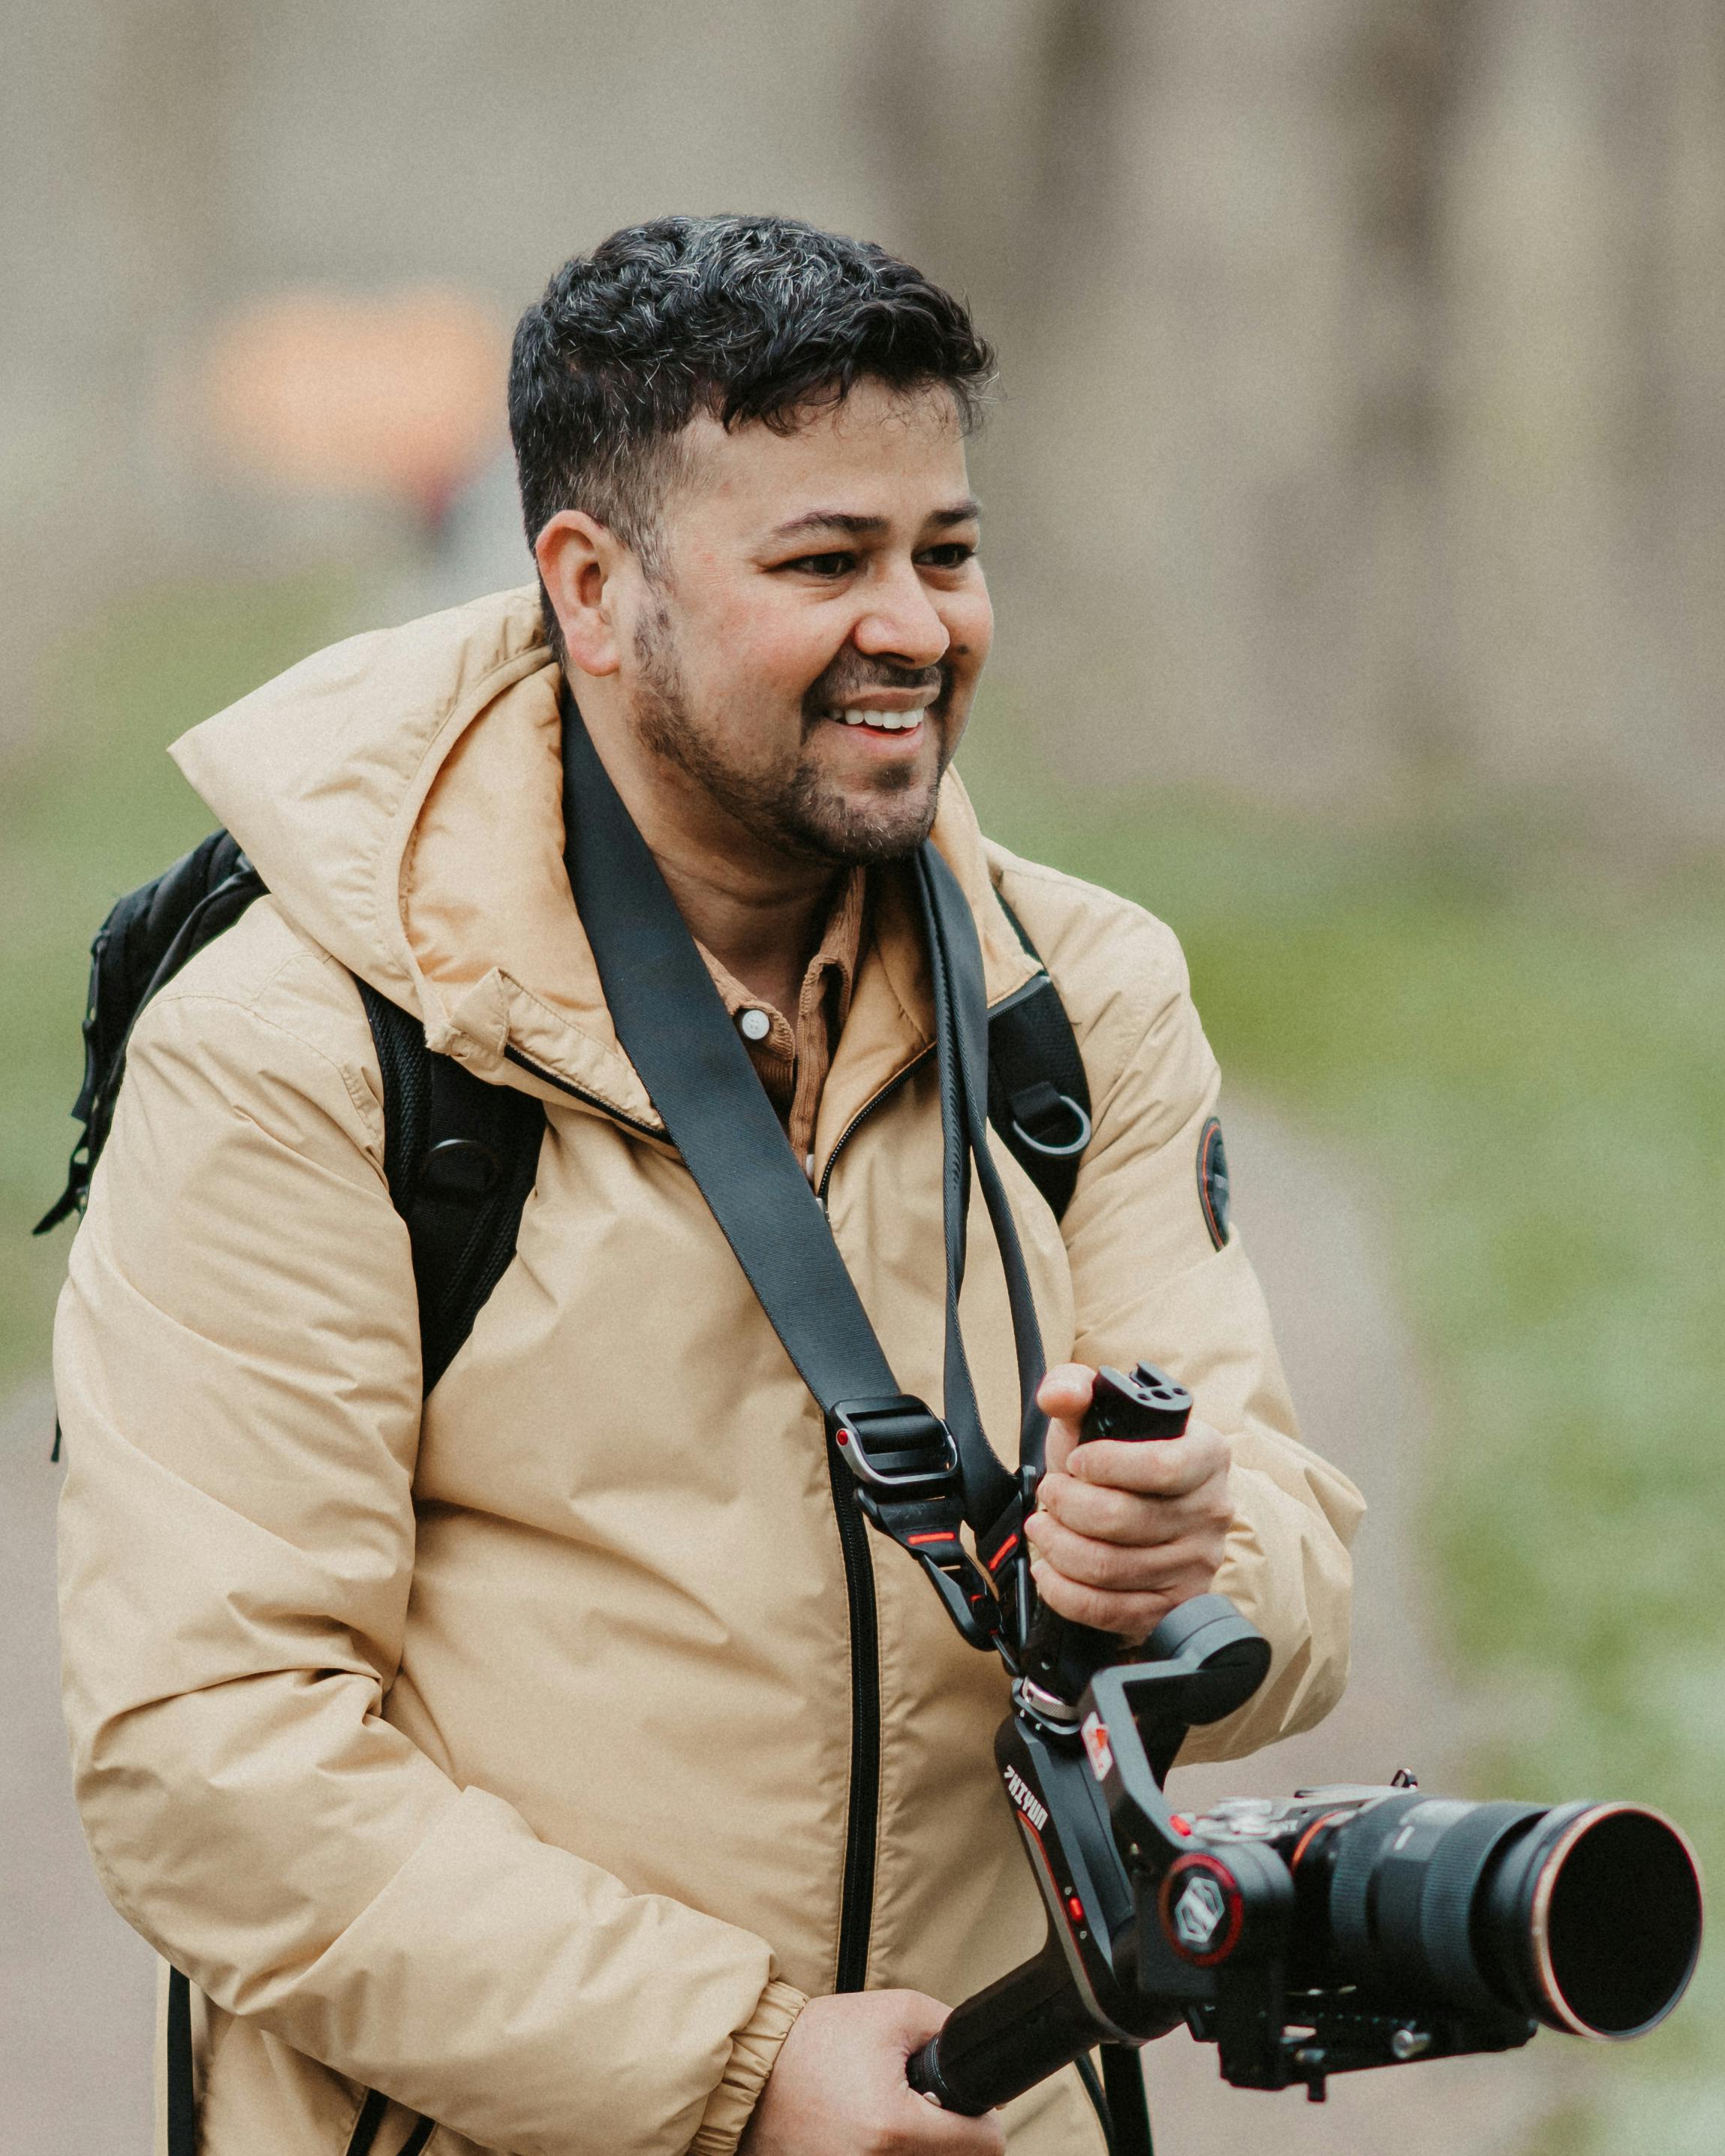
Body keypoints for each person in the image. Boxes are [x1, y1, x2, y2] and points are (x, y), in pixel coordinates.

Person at [54, 215, 1363, 2156]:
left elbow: (1292, 1577)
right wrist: (739, 2073)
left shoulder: (1078, 997)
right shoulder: (308, 1045)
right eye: (824, 563)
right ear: (591, 588)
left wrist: (1180, 1560)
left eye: (947, 550)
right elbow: (213, 1762)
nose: (914, 624)